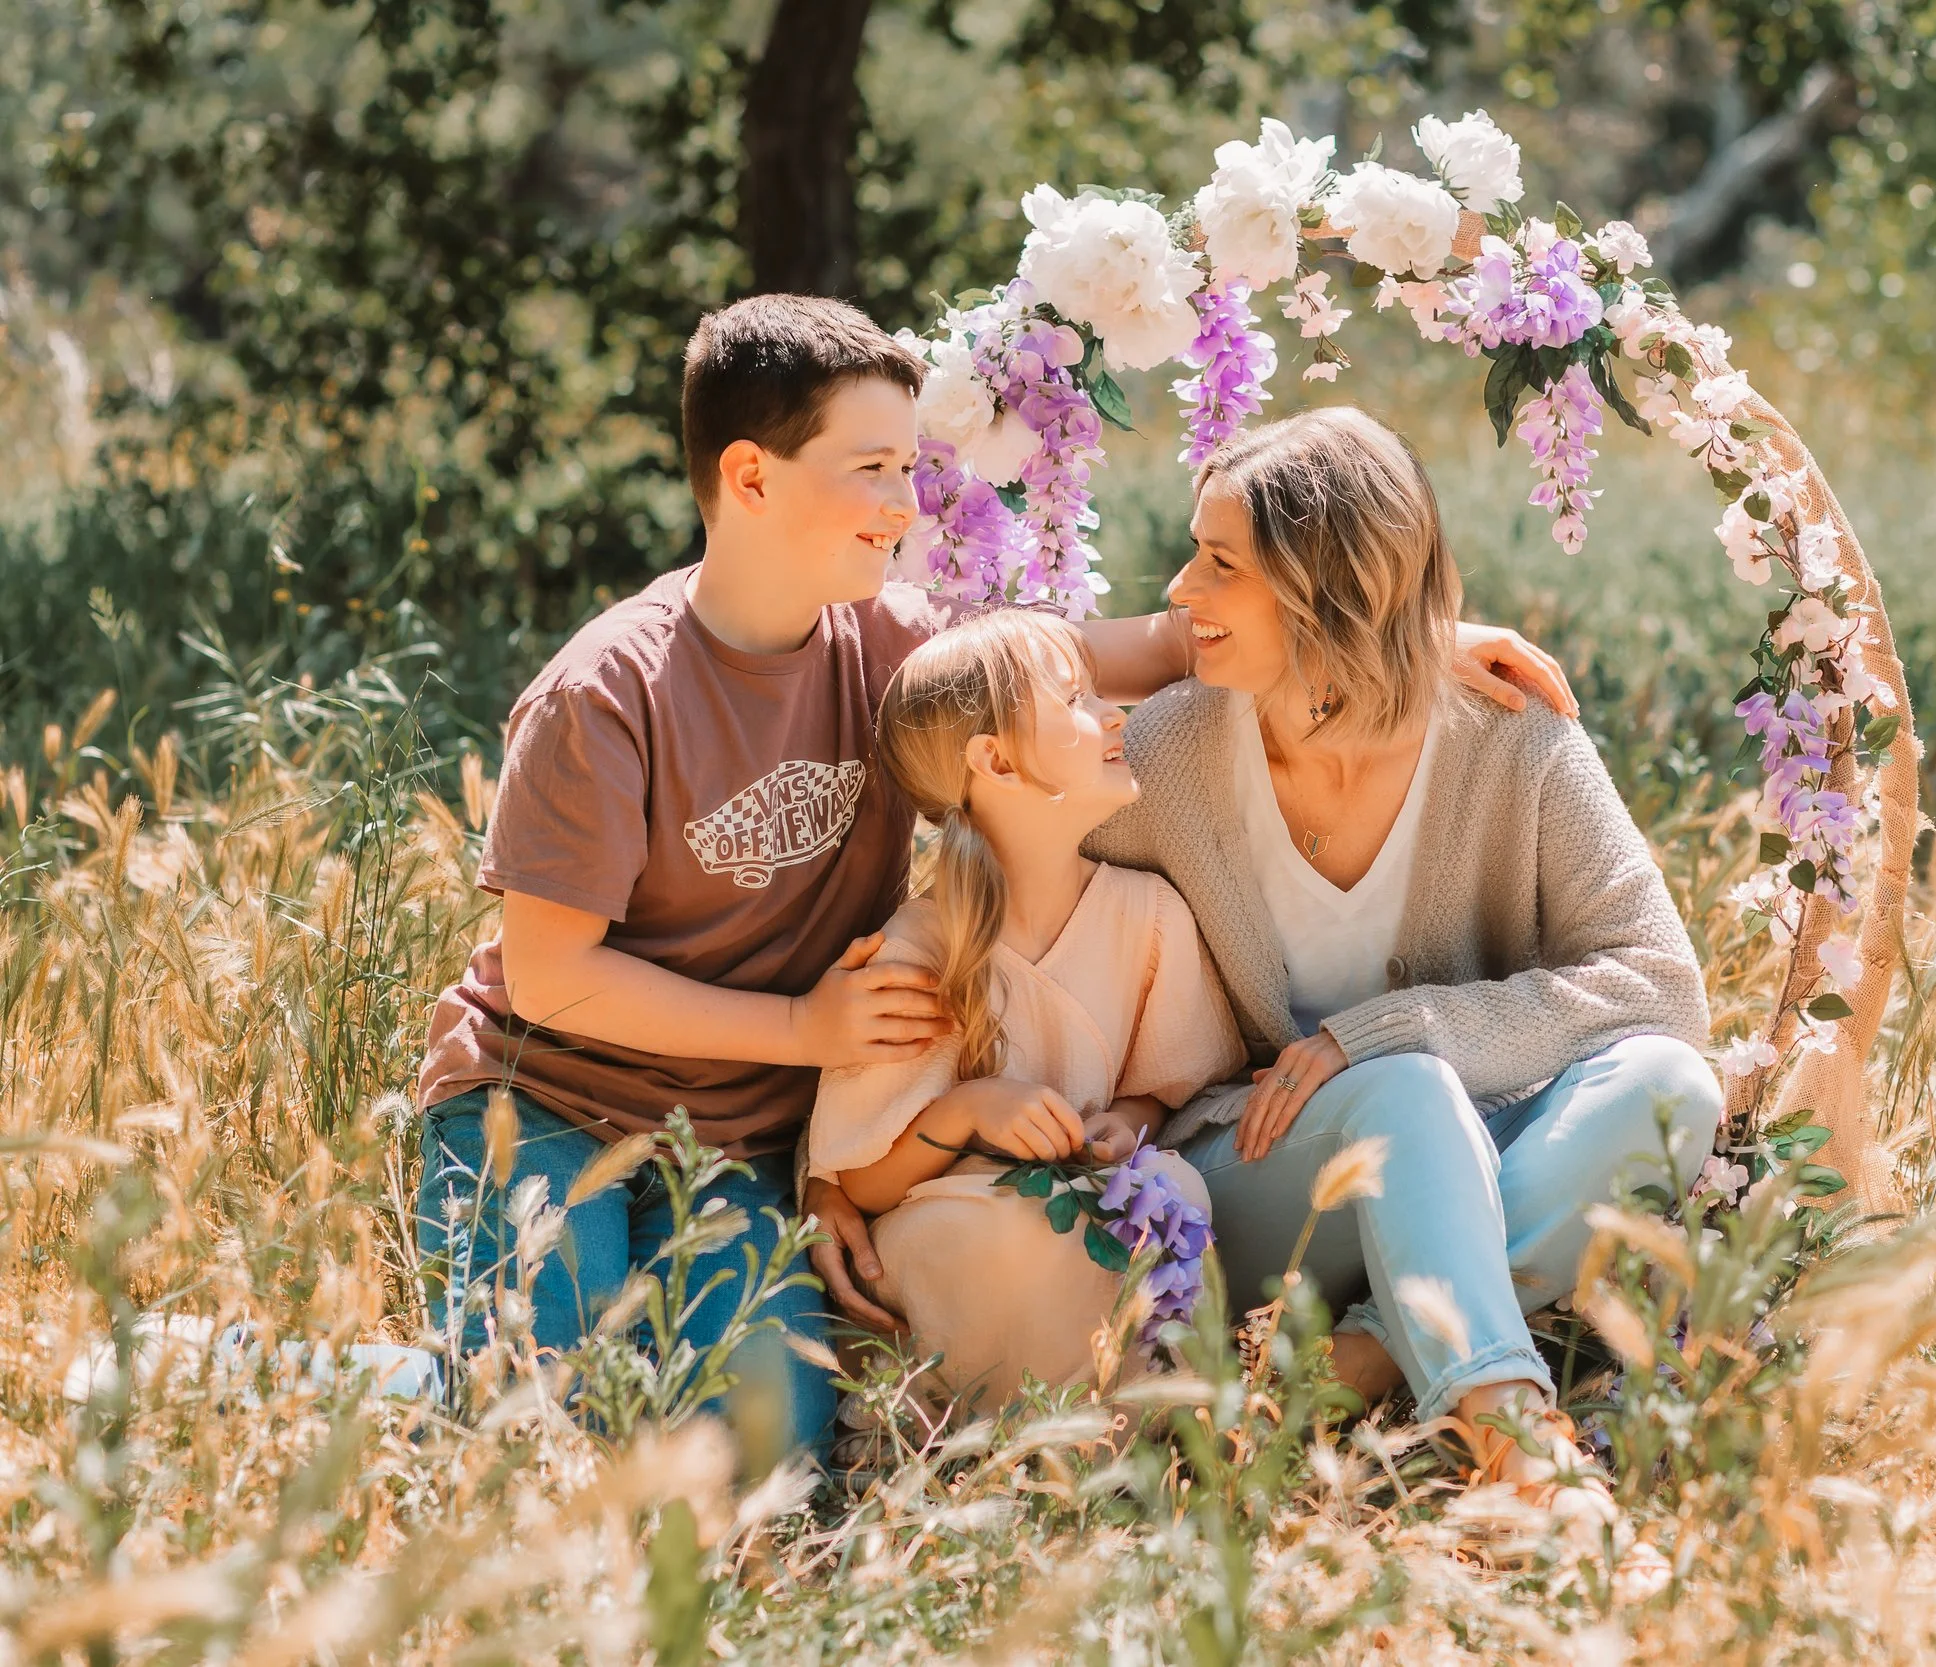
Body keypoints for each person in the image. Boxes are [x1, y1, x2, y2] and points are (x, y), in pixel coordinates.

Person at [413, 294, 1573, 1463]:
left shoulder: (896, 648)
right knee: (530, 1420)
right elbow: (552, 978)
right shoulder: (604, 695)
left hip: (741, 1137)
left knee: (768, 1453)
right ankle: (331, 1372)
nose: (907, 501)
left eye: (910, 464)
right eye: (871, 468)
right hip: (545, 1106)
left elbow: (1177, 639)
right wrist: (805, 1025)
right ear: (752, 479)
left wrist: (1416, 640)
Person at [1085, 406, 1721, 1498]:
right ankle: (1520, 1451)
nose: (1181, 589)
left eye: (1219, 562)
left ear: (1329, 591)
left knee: (1669, 1086)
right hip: (1270, 1176)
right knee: (1403, 1091)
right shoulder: (1168, 752)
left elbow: (1657, 982)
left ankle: (1359, 1361)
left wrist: (1380, 1028)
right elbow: (967, 740)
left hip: (1473, 1140)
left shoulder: (1512, 739)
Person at [809, 609, 1241, 1413]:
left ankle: (1116, 1435)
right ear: (996, 761)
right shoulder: (923, 946)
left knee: (1177, 1187)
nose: (1116, 714)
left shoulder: (1147, 915)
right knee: (1016, 1234)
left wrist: (1124, 1117)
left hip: (1083, 1211)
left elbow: (1174, 1088)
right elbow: (863, 1182)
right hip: (956, 1237)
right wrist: (971, 1108)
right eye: (1078, 699)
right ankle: (992, 1431)